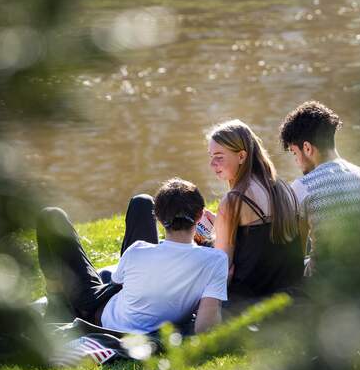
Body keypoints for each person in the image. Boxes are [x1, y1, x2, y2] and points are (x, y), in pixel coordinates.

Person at [36, 178, 228, 334]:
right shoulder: (216, 261)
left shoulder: (137, 251)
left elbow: (116, 282)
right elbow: (205, 327)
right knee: (142, 201)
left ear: (158, 217)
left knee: (51, 216)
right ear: (200, 215)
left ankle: (55, 297)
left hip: (100, 314)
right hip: (144, 308)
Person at [279, 101, 360, 275]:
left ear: (307, 148)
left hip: (326, 284)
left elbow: (294, 258)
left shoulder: (303, 186)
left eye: (294, 153)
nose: (296, 162)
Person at [206, 119, 304, 302]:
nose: (212, 164)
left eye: (219, 156)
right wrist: (220, 225)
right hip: (290, 295)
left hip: (248, 302)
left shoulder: (234, 200)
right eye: (211, 156)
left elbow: (222, 268)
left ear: (241, 156)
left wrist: (212, 237)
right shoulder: (285, 188)